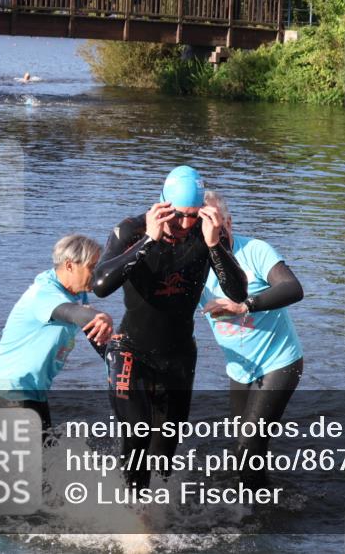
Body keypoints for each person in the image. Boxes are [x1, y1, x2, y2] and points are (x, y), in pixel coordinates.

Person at [92, 166, 248, 489]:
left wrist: (215, 245)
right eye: (178, 215)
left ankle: (155, 513)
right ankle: (134, 521)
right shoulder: (132, 231)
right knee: (136, 433)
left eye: (193, 215)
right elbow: (100, 284)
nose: (185, 224)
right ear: (162, 205)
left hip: (178, 358)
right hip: (130, 352)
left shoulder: (206, 233)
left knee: (164, 454)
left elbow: (238, 293)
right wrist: (149, 240)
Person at [198, 191, 304, 489]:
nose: (211, 229)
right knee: (245, 447)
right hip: (239, 371)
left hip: (280, 361)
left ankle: (260, 513)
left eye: (216, 221)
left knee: (247, 448)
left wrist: (244, 305)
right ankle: (258, 504)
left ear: (228, 221)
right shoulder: (194, 265)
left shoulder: (255, 250)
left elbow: (293, 288)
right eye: (202, 222)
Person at [0, 235, 113, 435]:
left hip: (34, 390)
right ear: (70, 265)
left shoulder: (76, 292)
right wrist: (99, 316)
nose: (96, 275)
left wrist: (117, 361)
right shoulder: (44, 294)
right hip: (11, 389)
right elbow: (72, 313)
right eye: (92, 267)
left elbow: (93, 331)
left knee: (44, 455)